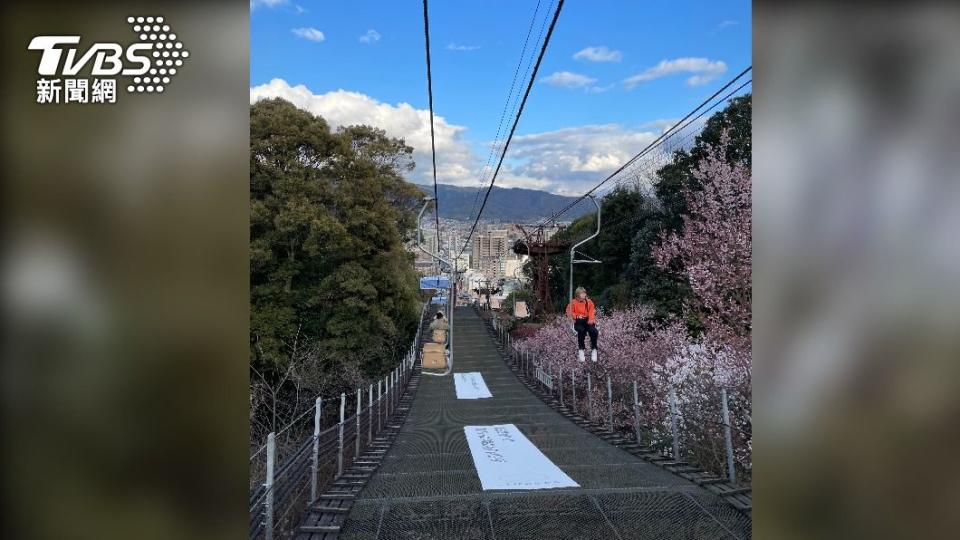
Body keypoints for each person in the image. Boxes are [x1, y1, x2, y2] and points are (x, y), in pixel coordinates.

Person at [565, 286, 598, 362]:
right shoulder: (573, 302)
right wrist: (575, 316)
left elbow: (592, 311)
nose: (584, 295)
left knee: (594, 331)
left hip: (587, 320)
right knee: (581, 330)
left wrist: (591, 319)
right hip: (579, 320)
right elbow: (569, 311)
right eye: (582, 293)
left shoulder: (588, 302)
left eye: (584, 293)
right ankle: (581, 349)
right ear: (578, 294)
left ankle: (594, 349)